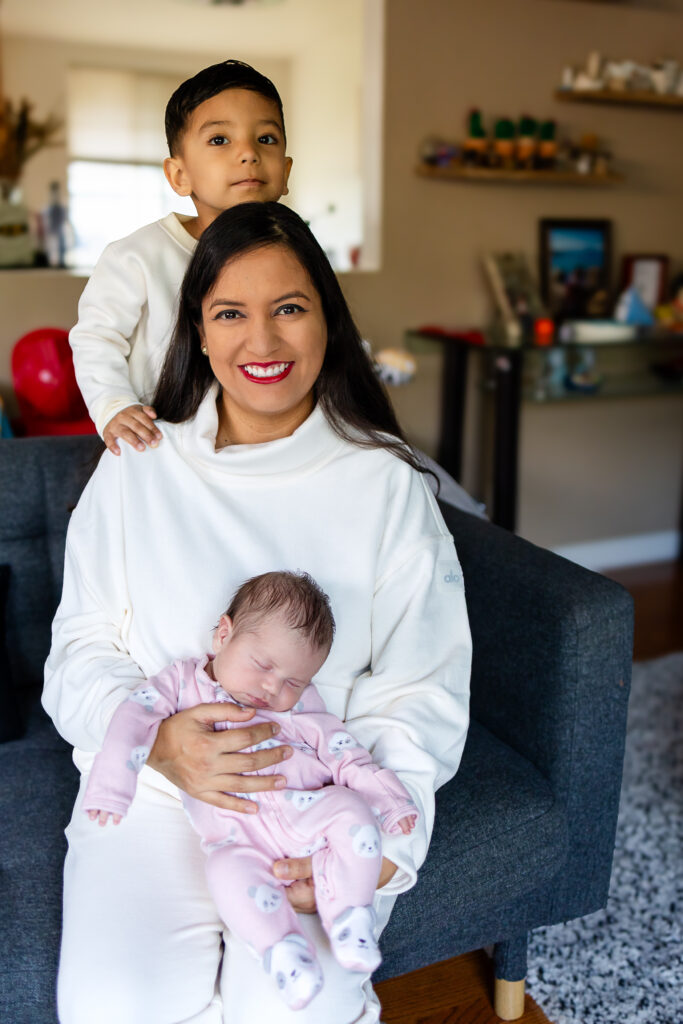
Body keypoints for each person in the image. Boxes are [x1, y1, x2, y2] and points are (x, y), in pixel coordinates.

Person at [44, 201, 471, 1024]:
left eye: (290, 309)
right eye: (231, 314)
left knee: (294, 1011)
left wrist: (385, 846)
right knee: (113, 1007)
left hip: (314, 802)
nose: (263, 342)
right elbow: (80, 652)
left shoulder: (386, 485)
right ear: (199, 333)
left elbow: (422, 687)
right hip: (157, 798)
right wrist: (159, 747)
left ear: (328, 323)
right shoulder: (139, 466)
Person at [84, 570, 418, 1012]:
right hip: (237, 836)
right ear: (224, 634)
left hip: (309, 813)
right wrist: (112, 786)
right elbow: (133, 720)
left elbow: (344, 752)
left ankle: (351, 916)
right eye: (264, 665)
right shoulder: (183, 684)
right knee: (226, 872)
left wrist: (390, 802)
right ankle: (282, 951)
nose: (272, 689)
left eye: (294, 682)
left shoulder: (302, 708)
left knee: (351, 812)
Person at [69, 58, 292, 455]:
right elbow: (96, 338)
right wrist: (114, 406)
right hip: (158, 443)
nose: (249, 154)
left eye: (266, 139)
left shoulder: (293, 259)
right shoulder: (136, 257)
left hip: (254, 445)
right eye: (220, 140)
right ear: (178, 176)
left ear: (286, 171)